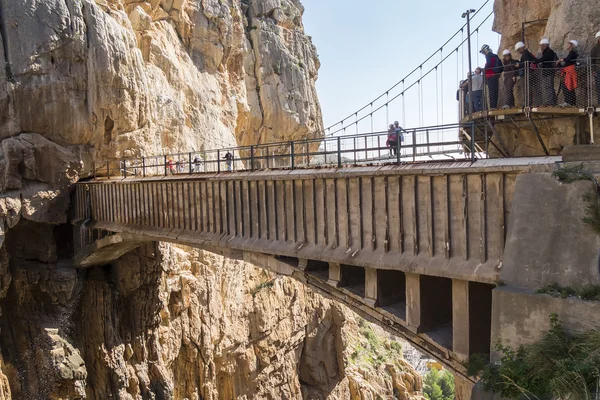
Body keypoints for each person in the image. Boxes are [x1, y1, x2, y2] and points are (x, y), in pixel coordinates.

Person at [536, 38, 558, 107]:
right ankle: (550, 102)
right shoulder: (547, 52)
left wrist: (536, 61)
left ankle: (551, 102)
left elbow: (544, 59)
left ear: (545, 45)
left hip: (548, 71)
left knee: (549, 87)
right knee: (548, 87)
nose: (540, 47)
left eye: (541, 45)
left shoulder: (549, 52)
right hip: (547, 71)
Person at [557, 40, 579, 107]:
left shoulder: (573, 52)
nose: (567, 45)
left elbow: (568, 59)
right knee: (568, 86)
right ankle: (571, 102)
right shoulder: (573, 52)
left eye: (568, 44)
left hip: (569, 71)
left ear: (572, 45)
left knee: (567, 86)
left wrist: (561, 60)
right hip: (568, 71)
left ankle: (568, 102)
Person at [514, 41, 537, 106]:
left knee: (526, 88)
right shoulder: (527, 54)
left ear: (521, 48)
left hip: (527, 74)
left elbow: (526, 63)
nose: (518, 51)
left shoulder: (526, 54)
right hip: (528, 73)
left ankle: (527, 102)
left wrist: (519, 65)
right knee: (527, 88)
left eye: (518, 50)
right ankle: (528, 102)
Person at [480, 44, 503, 109]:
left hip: (490, 75)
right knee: (495, 91)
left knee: (491, 92)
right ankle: (494, 105)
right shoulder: (495, 56)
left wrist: (483, 70)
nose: (483, 53)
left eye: (483, 52)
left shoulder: (489, 56)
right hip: (495, 75)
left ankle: (493, 106)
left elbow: (489, 64)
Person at [591, 32, 600, 105]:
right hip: (598, 69)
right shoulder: (594, 48)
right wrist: (593, 70)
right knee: (599, 87)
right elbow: (592, 60)